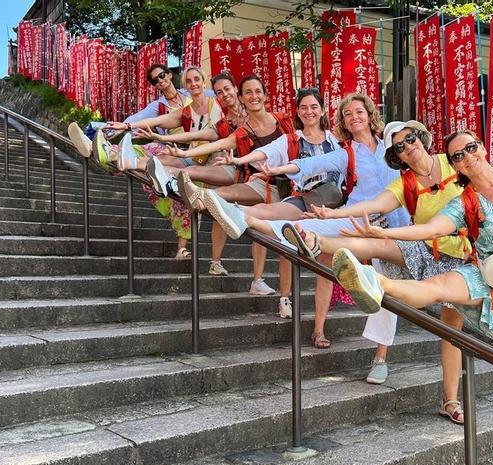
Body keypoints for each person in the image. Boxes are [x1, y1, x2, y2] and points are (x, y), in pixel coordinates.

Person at [330, 130, 493, 465]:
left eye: (470, 148)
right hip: (486, 274)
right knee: (439, 287)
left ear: (484, 148)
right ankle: (374, 283)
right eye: (457, 156)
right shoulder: (466, 201)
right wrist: (386, 237)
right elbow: (432, 228)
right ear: (454, 166)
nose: (466, 157)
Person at [176, 93, 409, 350]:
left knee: (384, 292)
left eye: (358, 112)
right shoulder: (345, 153)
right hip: (351, 217)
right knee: (299, 227)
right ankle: (240, 216)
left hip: (393, 227)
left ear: (369, 114)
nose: (354, 117)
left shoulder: (390, 146)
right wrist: (273, 169)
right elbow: (309, 164)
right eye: (347, 114)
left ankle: (380, 357)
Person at [282, 120, 465, 419]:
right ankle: (316, 241)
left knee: (451, 331)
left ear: (422, 137)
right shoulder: (403, 183)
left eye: (411, 139)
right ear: (398, 157)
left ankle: (450, 401)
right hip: (423, 249)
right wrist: (334, 213)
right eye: (400, 147)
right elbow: (374, 204)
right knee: (379, 248)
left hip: (461, 259)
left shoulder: (453, 161)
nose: (408, 147)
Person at [177, 87, 343, 317]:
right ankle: (215, 202)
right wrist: (239, 159)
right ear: (297, 111)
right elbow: (265, 152)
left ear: (323, 110)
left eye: (314, 106)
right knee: (278, 225)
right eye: (303, 107)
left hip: (337, 207)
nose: (309, 111)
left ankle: (318, 328)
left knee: (321, 262)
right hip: (306, 201)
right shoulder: (291, 139)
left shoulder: (337, 141)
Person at [143, 75, 296, 294]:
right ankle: (178, 186)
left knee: (282, 243)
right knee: (220, 197)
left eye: (257, 91)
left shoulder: (283, 120)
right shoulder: (238, 129)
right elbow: (212, 138)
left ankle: (283, 297)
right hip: (259, 183)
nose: (253, 96)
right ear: (242, 97)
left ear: (264, 94)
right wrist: (178, 147)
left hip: (289, 189)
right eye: (248, 93)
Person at [65, 64, 217, 259]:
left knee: (186, 197)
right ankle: (102, 148)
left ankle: (182, 248)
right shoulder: (159, 107)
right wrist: (110, 128)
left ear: (170, 75)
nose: (160, 80)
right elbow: (137, 120)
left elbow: (224, 95)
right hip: (172, 150)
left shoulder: (201, 95)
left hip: (200, 156)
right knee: (150, 151)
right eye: (155, 80)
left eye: (162, 75)